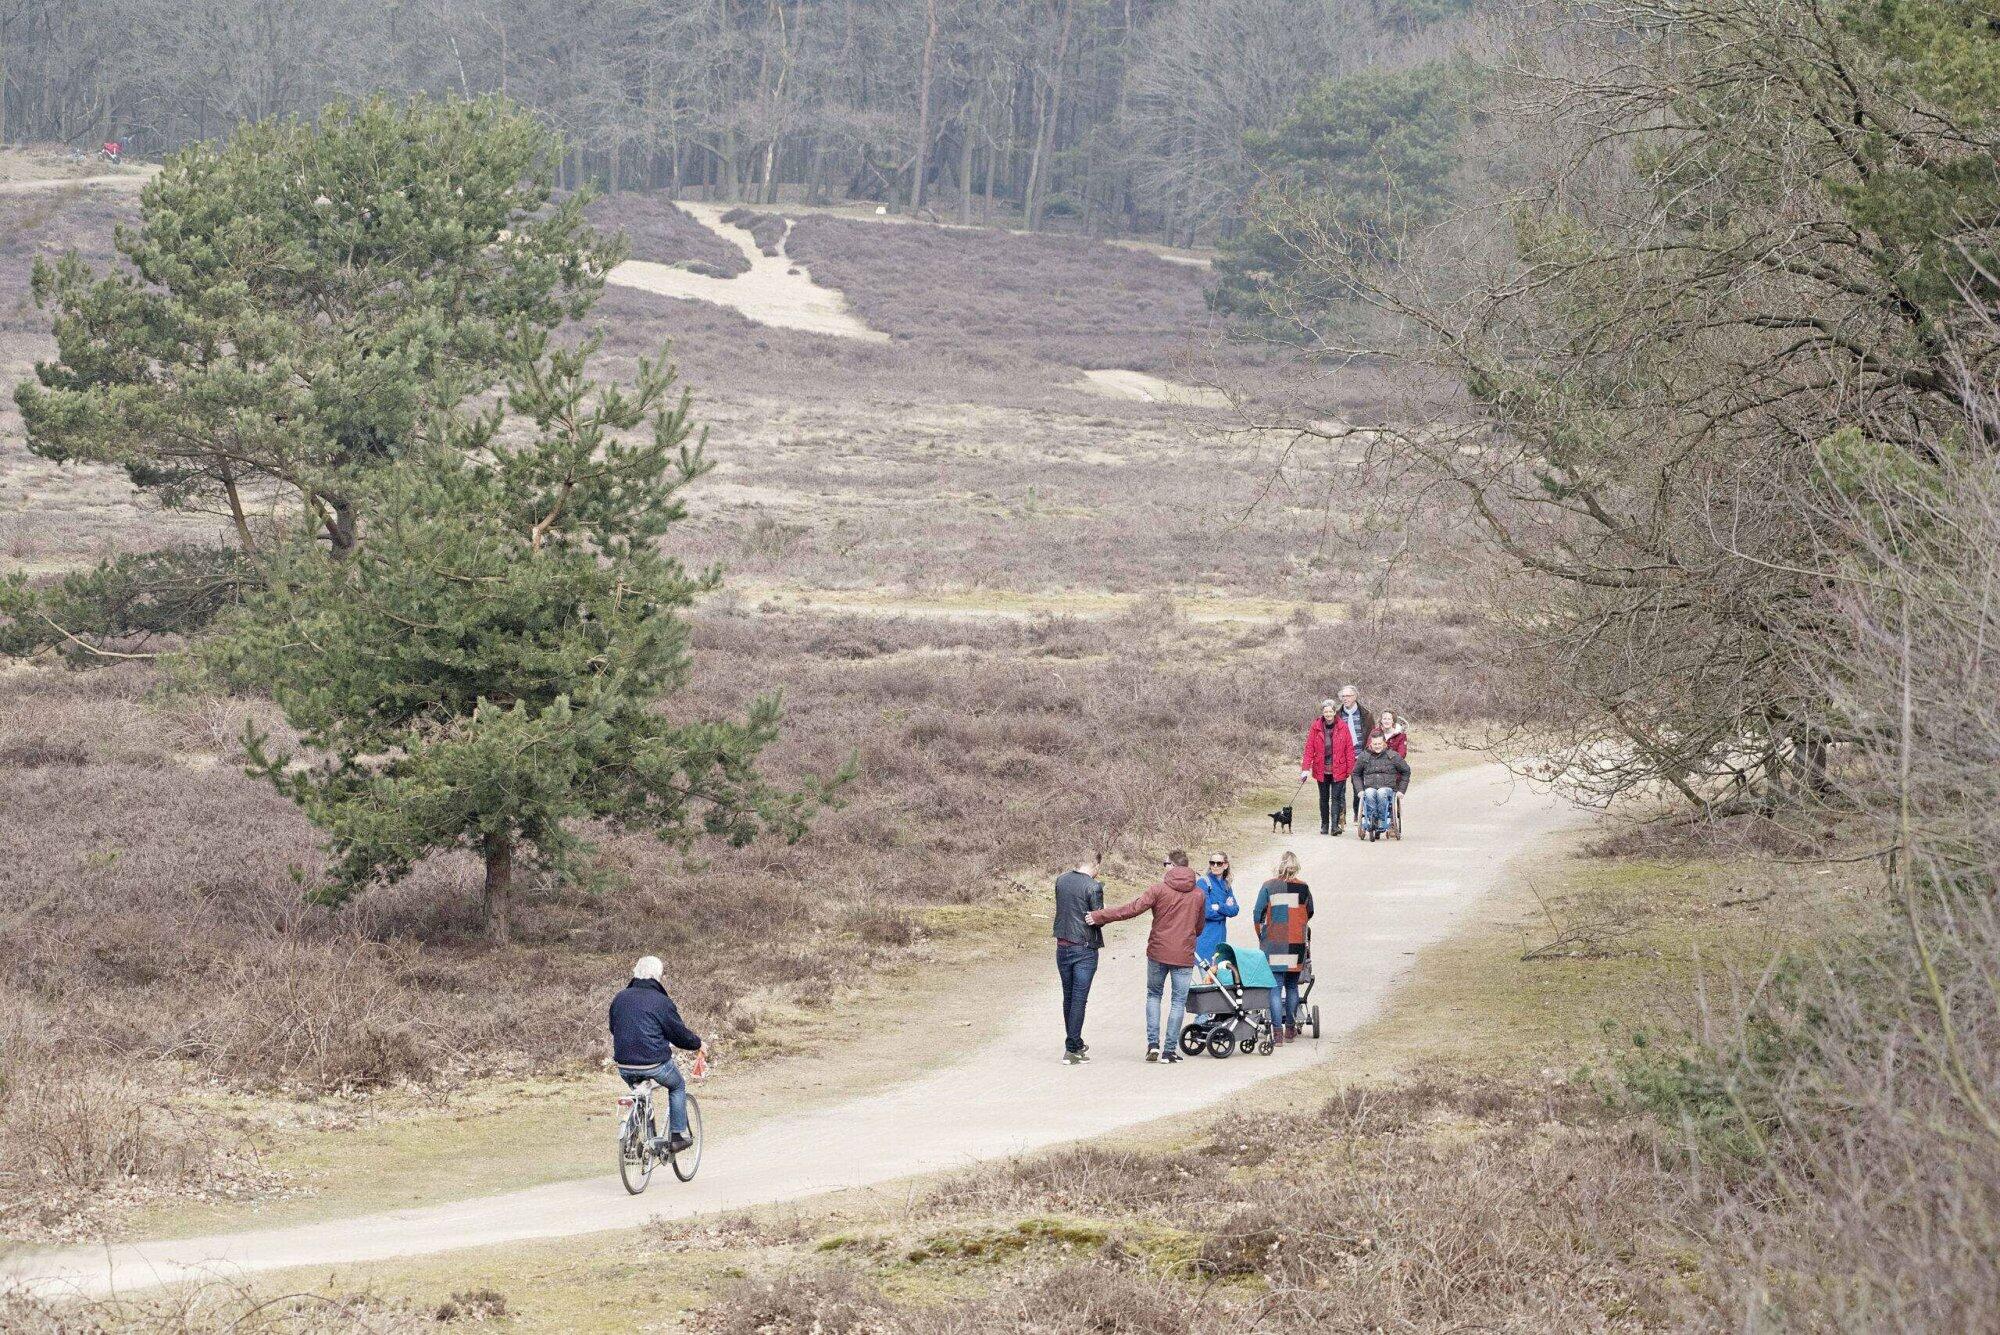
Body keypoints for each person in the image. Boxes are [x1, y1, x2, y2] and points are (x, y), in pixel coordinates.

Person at [1088, 850, 1205, 1063]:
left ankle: (1153, 1044)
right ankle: (1169, 1051)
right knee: (1178, 1002)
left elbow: (1132, 909)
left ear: (1172, 866)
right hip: (1184, 955)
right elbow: (1199, 927)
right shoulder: (1198, 894)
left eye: (1165, 863)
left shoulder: (1158, 890)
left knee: (1154, 995)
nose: (1163, 867)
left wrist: (1099, 916)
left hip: (1158, 951)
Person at [608, 956, 706, 1152]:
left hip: (624, 1066)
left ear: (635, 974)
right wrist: (697, 1044)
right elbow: (679, 1035)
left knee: (641, 1093)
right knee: (677, 1085)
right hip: (654, 1064)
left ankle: (639, 1136)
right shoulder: (661, 1002)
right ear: (657, 976)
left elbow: (613, 1028)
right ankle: (678, 1135)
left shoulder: (619, 997)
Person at [1253, 852, 1314, 1042]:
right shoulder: (1303, 888)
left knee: (1275, 988)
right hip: (1296, 943)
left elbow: (1257, 914)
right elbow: (1310, 911)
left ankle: (1276, 1032)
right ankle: (1290, 1029)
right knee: (1292, 987)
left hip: (1274, 943)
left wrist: (1262, 935)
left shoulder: (1268, 887)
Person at [1052, 857, 1106, 1065]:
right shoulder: (1094, 886)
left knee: (1069, 996)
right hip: (1084, 946)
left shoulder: (1061, 880)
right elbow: (1096, 918)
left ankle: (1075, 1044)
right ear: (1096, 865)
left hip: (1062, 944)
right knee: (1079, 998)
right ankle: (1072, 1047)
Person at [1301, 698, 1358, 836]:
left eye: (1330, 711)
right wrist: (1305, 768)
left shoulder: (1343, 726)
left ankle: (1334, 826)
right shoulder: (1316, 727)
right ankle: (1324, 825)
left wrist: (1351, 769)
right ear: (1323, 713)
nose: (1328, 714)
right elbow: (1309, 748)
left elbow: (1349, 749)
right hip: (1322, 768)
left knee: (1337, 798)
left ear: (1334, 712)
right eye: (1325, 711)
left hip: (1339, 768)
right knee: (1324, 798)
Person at [1353, 731, 1412, 841]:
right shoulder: (1364, 756)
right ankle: (1372, 819)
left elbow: (1406, 771)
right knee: (1369, 793)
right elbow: (1356, 774)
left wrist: (1401, 790)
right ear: (1371, 743)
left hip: (1388, 788)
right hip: (1370, 787)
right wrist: (1360, 790)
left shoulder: (1393, 756)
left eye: (1379, 744)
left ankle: (1381, 820)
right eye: (1375, 744)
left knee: (1381, 792)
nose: (1377, 746)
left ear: (1384, 743)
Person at [1195, 852, 1239, 965]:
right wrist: (1225, 908)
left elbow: (1235, 910)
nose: (1215, 866)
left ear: (1225, 865)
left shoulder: (1226, 884)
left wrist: (1219, 906)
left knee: (1219, 980)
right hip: (1206, 940)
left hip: (1220, 940)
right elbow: (1207, 912)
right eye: (1212, 863)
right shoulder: (1203, 883)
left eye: (1218, 863)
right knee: (1209, 979)